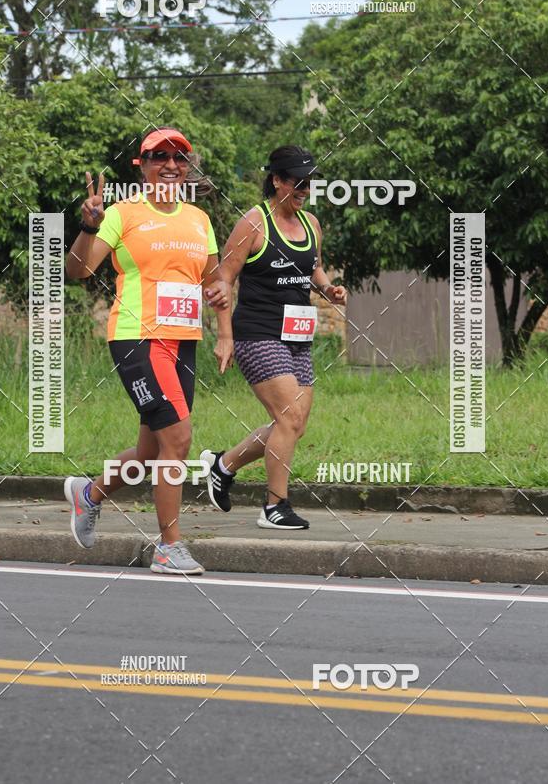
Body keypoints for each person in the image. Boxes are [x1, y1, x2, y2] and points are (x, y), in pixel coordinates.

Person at [64, 127, 233, 574]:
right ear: (141, 165)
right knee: (178, 439)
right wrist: (89, 225)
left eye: (179, 158)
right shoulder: (122, 213)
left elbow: (215, 282)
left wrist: (225, 333)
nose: (171, 165)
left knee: (151, 451)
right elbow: (78, 270)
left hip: (183, 341)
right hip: (137, 338)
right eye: (160, 157)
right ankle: (168, 547)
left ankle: (88, 494)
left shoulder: (198, 219)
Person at [201, 145, 346, 529]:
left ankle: (223, 465)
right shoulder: (253, 223)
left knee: (294, 425)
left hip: (298, 335)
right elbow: (223, 278)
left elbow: (313, 267)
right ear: (277, 180)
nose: (304, 189)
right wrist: (224, 334)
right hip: (257, 332)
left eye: (309, 183)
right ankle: (275, 507)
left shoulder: (311, 224)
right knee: (288, 416)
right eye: (298, 182)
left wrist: (329, 289)